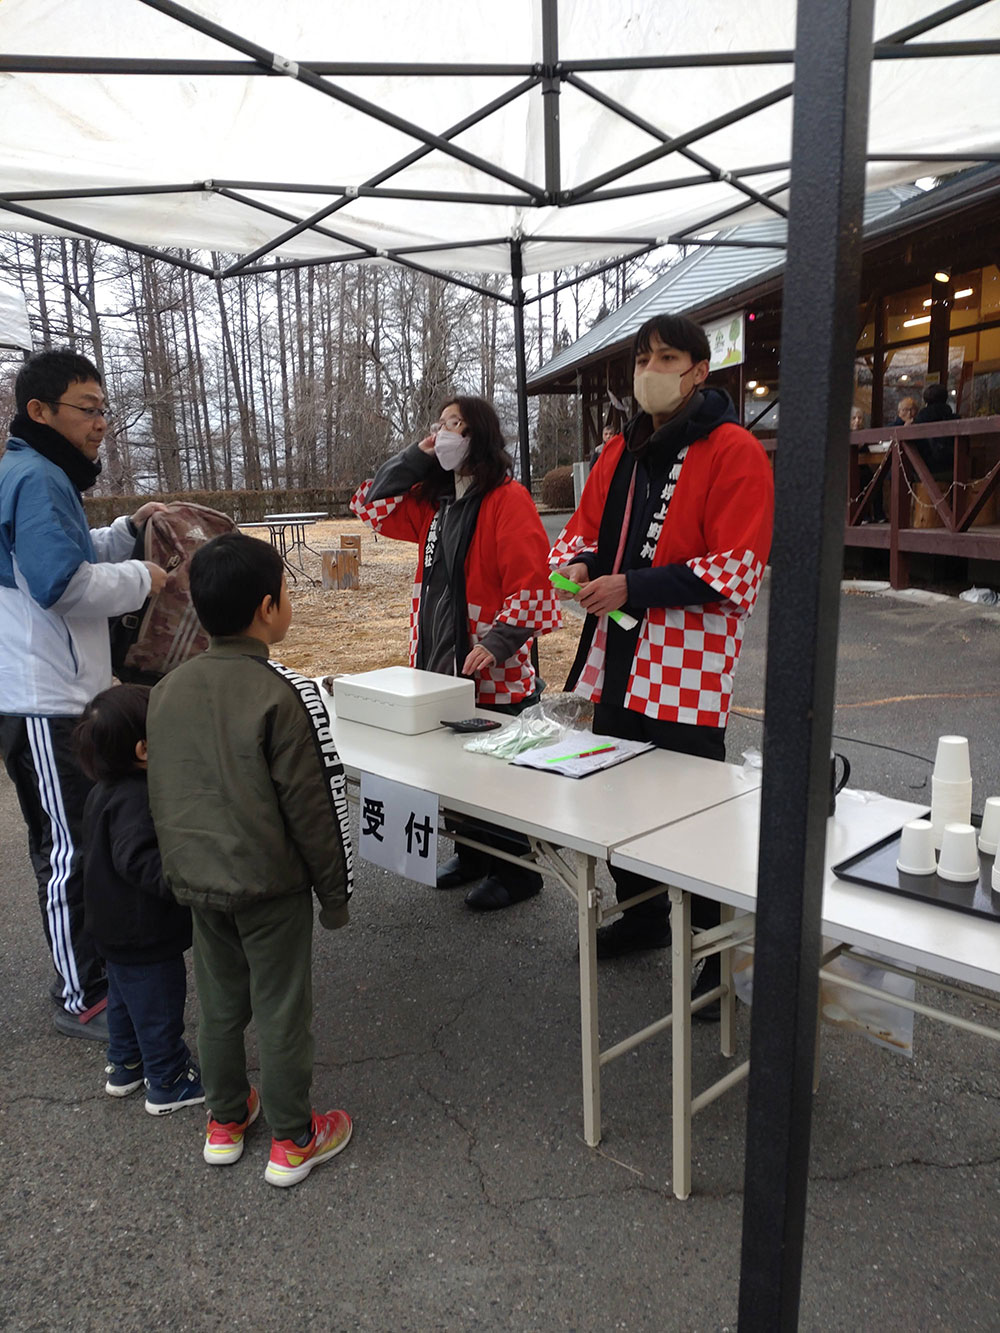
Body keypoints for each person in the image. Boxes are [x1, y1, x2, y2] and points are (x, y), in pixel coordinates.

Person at [550, 313, 773, 1011]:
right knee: (620, 794)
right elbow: (578, 535)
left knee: (693, 809)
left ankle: (717, 949)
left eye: (667, 356)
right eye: (644, 356)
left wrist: (632, 585)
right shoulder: (620, 452)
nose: (651, 368)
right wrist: (582, 565)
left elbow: (736, 569)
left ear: (700, 370)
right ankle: (644, 914)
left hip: (686, 664)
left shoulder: (734, 450)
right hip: (614, 651)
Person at [146, 533, 353, 1186]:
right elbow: (314, 807)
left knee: (219, 1001)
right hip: (271, 883)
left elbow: (164, 791)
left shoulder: (167, 689)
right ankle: (294, 1137)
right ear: (269, 607)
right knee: (283, 1008)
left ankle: (226, 1119)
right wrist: (335, 893)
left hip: (200, 880)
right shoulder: (282, 692)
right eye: (288, 594)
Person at [0, 350, 168, 1042]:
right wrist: (144, 578)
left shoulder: (42, 476)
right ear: (39, 411)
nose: (101, 423)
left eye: (104, 408)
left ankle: (96, 975)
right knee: (68, 844)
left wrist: (126, 531)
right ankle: (80, 991)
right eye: (87, 409)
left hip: (63, 688)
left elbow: (72, 552)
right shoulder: (35, 477)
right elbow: (62, 583)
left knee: (85, 835)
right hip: (43, 696)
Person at [351, 395, 561, 912]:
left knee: (497, 771)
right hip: (435, 653)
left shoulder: (507, 499)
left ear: (478, 436)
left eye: (454, 426)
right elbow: (370, 505)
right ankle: (471, 852)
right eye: (439, 424)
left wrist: (497, 642)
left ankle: (517, 870)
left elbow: (533, 582)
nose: (443, 432)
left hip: (489, 662)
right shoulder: (434, 499)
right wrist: (416, 457)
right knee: (450, 763)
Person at [75, 684, 202, 1115]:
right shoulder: (137, 798)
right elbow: (137, 859)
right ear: (144, 749)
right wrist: (182, 882)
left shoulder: (103, 791)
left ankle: (124, 1063)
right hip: (143, 932)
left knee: (125, 1000)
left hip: (111, 928)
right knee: (158, 1005)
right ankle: (167, 1080)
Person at [914, 382, 957, 474]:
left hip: (924, 472)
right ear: (945, 399)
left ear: (926, 401)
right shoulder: (955, 420)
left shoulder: (919, 421)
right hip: (954, 470)